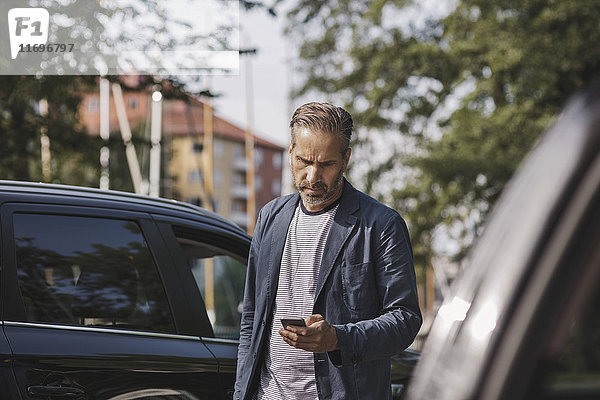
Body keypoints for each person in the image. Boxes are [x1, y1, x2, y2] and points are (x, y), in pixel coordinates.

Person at [234, 102, 422, 400]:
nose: (311, 176)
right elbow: (252, 320)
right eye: (303, 161)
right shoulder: (270, 217)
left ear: (345, 159)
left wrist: (338, 339)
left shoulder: (381, 225)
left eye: (326, 164)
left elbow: (405, 320)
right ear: (291, 151)